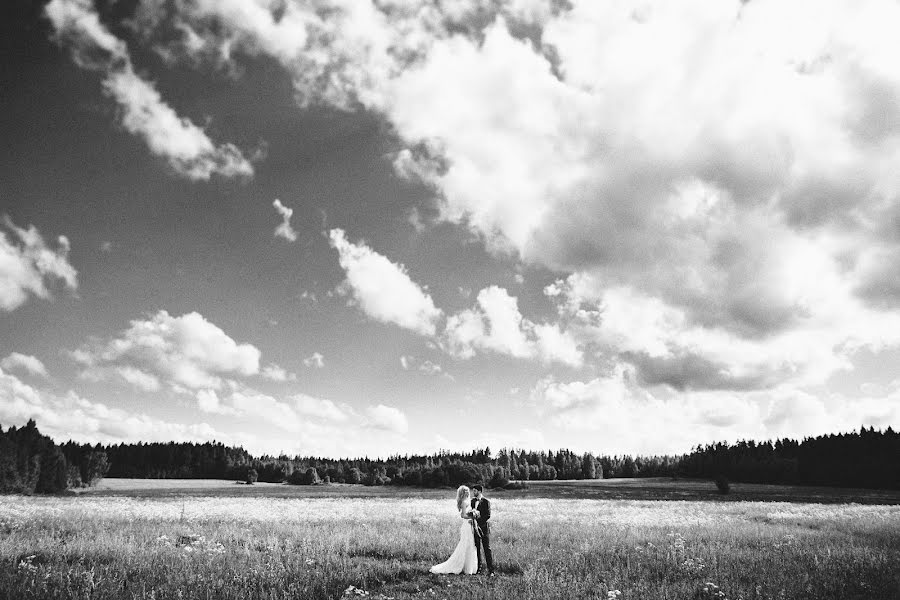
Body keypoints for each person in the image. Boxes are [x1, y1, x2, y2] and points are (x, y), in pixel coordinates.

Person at [429, 485, 478, 575]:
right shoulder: (464, 502)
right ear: (463, 493)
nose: (468, 492)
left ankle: (469, 567)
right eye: (466, 491)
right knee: (466, 544)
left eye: (468, 491)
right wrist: (472, 516)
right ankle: (463, 567)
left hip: (469, 525)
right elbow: (463, 515)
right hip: (466, 525)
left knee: (471, 544)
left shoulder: (467, 501)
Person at [471, 484, 495, 576]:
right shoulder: (472, 501)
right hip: (474, 528)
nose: (473, 492)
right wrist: (473, 521)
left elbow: (488, 515)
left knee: (487, 549)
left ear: (480, 491)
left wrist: (478, 522)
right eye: (473, 491)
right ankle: (478, 568)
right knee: (477, 548)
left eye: (475, 491)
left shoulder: (486, 502)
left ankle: (491, 570)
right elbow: (470, 513)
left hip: (484, 528)